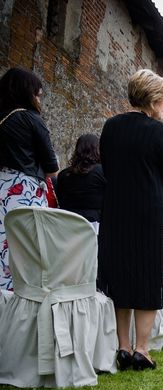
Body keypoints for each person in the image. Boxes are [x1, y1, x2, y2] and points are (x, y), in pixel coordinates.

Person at [98, 69, 163, 371]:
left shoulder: (111, 126)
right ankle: (142, 349)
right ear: (154, 98)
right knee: (147, 276)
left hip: (116, 210)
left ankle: (123, 346)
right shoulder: (159, 132)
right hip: (148, 212)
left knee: (121, 275)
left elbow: (107, 168)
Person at [0, 67, 59, 290]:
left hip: (2, 187)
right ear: (28, 93)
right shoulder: (31, 119)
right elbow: (52, 169)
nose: (39, 99)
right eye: (38, 94)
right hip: (25, 191)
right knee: (26, 252)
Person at [56, 133, 106, 231]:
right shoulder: (103, 172)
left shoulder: (63, 175)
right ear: (97, 149)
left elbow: (61, 201)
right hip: (95, 228)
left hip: (67, 227)